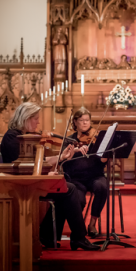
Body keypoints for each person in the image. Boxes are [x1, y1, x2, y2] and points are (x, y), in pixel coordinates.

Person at [0, 102, 100, 251]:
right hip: (19, 183)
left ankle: (48, 236)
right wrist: (46, 173)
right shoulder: (13, 137)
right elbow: (24, 166)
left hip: (29, 179)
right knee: (69, 190)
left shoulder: (23, 136)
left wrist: (62, 157)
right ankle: (78, 238)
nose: (38, 122)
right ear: (26, 118)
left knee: (64, 188)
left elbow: (39, 161)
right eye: (35, 118)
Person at [63, 108, 108, 237]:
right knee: (78, 200)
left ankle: (93, 223)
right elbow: (64, 163)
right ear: (75, 122)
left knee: (102, 186)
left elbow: (102, 161)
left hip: (95, 176)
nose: (85, 123)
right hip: (76, 179)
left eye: (87, 120)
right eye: (82, 120)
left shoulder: (96, 138)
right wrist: (74, 151)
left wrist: (107, 153)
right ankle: (78, 227)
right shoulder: (69, 140)